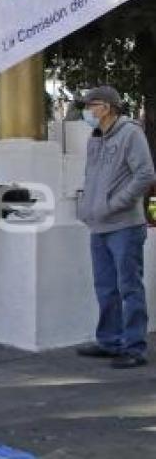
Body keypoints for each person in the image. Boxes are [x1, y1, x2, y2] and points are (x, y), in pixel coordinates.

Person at [76, 86, 156, 369]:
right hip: (99, 226)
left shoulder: (131, 133)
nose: (86, 111)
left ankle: (134, 347)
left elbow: (145, 174)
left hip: (124, 225)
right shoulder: (94, 138)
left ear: (107, 107)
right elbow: (91, 177)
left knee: (128, 286)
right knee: (105, 287)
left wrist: (114, 203)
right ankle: (110, 341)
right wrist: (87, 208)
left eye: (90, 105)